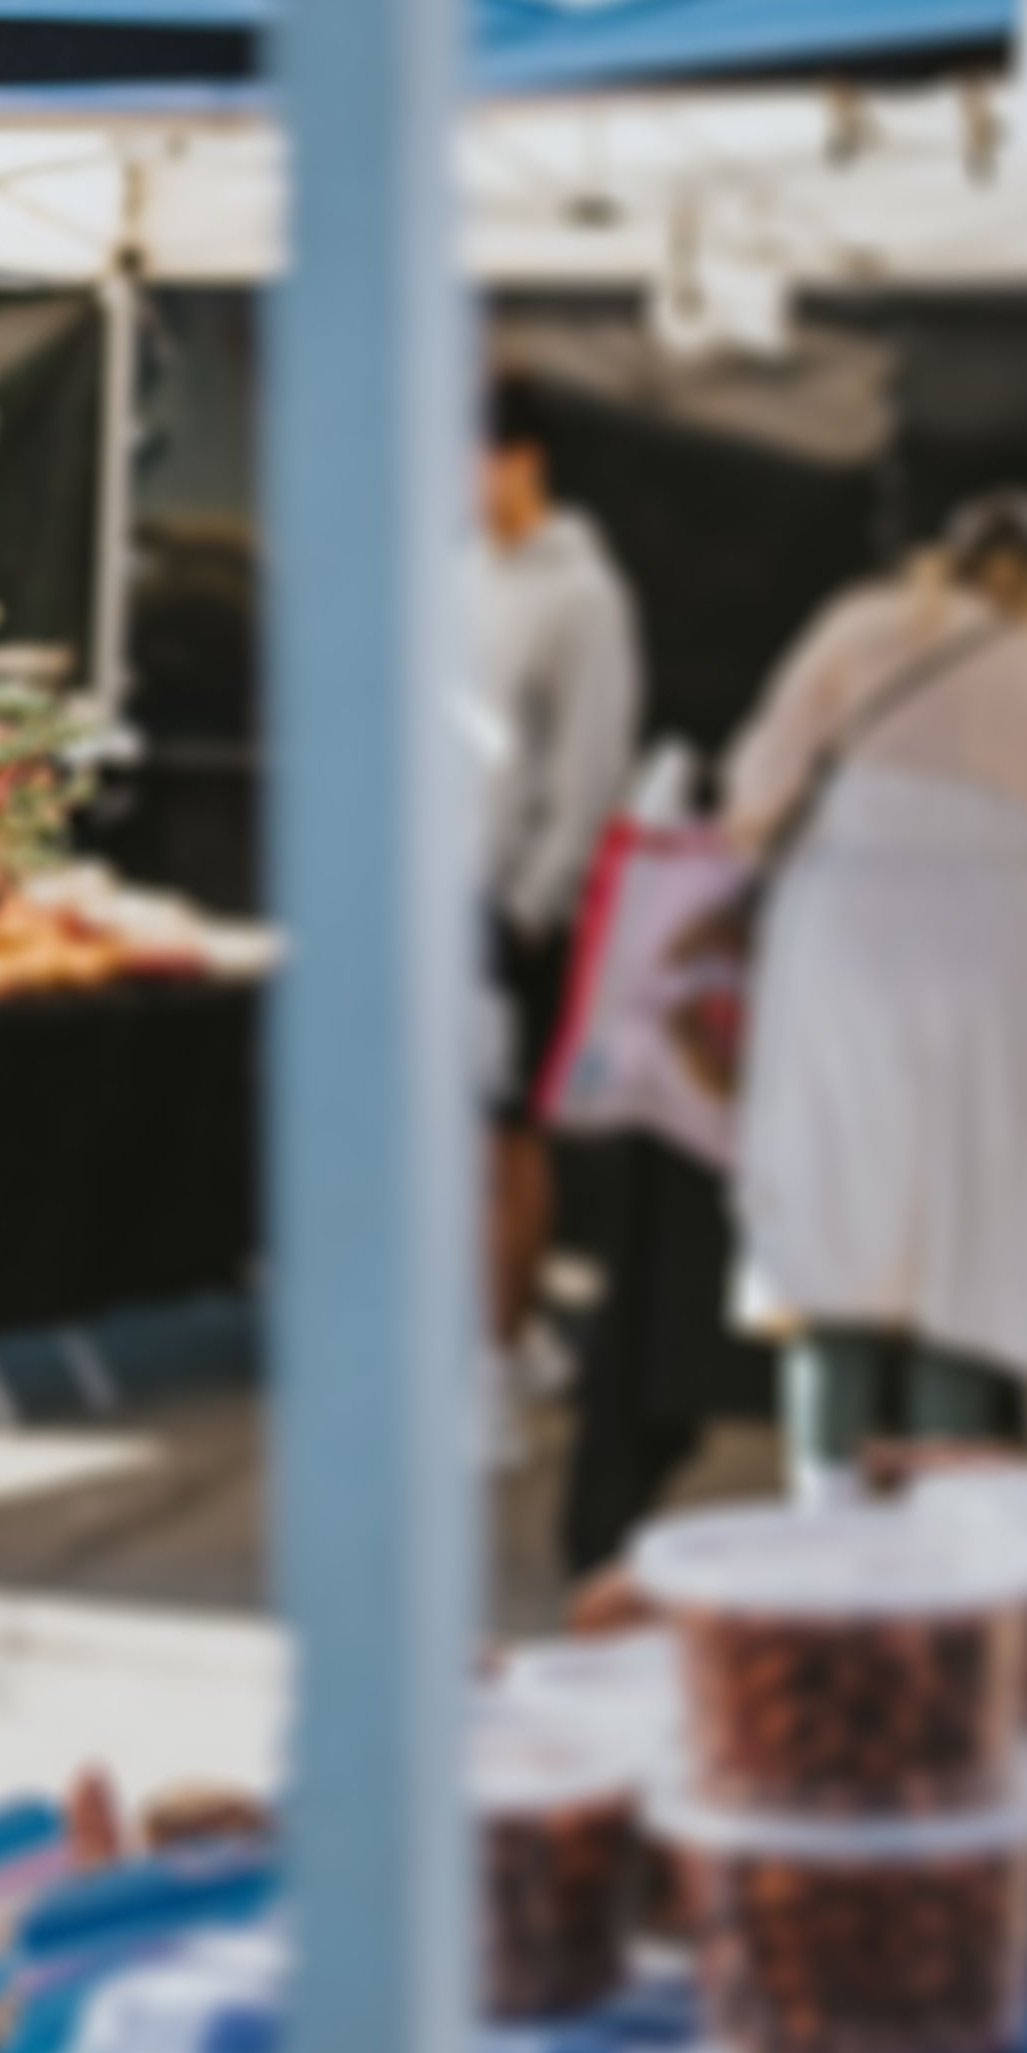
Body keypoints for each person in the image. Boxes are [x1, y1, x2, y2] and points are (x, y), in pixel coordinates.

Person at [720, 488, 1027, 1476]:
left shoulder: (862, 625)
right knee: (984, 1242)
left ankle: (827, 1506)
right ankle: (945, 1536)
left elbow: (753, 797)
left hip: (843, 946)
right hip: (1012, 971)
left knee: (834, 1235)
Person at [477, 373, 641, 1357]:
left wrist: (537, 901)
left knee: (503, 1138)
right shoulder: (450, 572)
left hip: (510, 910)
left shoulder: (585, 596)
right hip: (438, 895)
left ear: (519, 458)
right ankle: (488, 1339)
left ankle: (497, 1352)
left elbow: (592, 761)